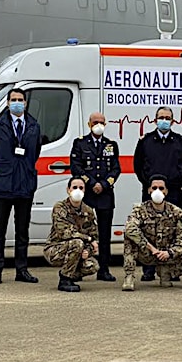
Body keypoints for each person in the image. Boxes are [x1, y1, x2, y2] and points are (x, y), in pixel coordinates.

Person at [0, 88, 42, 284]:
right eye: (13, 100)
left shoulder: (34, 125)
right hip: (4, 183)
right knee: (0, 229)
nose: (17, 103)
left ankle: (21, 269)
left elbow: (35, 152)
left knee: (22, 230)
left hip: (25, 183)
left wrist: (24, 169)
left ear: (25, 103)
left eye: (20, 100)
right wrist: (4, 168)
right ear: (8, 103)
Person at [133, 106, 182, 282]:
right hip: (151, 193)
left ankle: (172, 268)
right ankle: (148, 270)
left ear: (173, 121)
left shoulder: (180, 142)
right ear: (155, 120)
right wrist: (150, 185)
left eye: (167, 117)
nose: (164, 120)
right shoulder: (146, 141)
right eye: (161, 117)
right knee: (148, 229)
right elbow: (138, 166)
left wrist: (173, 183)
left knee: (173, 230)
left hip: (173, 192)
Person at [121, 174, 182, 291]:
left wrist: (169, 253)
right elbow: (129, 228)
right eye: (154, 188)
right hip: (147, 252)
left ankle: (167, 273)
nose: (157, 191)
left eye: (161, 188)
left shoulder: (176, 213)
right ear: (148, 190)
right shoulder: (139, 210)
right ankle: (129, 276)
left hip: (166, 255)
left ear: (166, 191)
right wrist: (150, 248)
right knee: (129, 238)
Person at [70, 112, 121, 282]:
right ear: (89, 124)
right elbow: (76, 167)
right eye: (95, 122)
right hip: (87, 195)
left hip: (105, 196)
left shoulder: (111, 145)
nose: (99, 125)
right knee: (83, 233)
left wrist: (104, 184)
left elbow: (116, 169)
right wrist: (92, 183)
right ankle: (79, 269)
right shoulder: (80, 143)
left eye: (102, 122)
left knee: (105, 234)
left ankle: (104, 269)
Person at [43, 177, 100, 292]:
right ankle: (65, 280)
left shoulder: (88, 211)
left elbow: (94, 235)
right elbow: (65, 233)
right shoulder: (60, 207)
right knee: (77, 243)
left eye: (81, 188)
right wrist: (88, 239)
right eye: (74, 187)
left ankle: (71, 274)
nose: (77, 190)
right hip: (55, 249)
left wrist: (88, 250)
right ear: (68, 190)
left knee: (92, 266)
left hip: (77, 249)